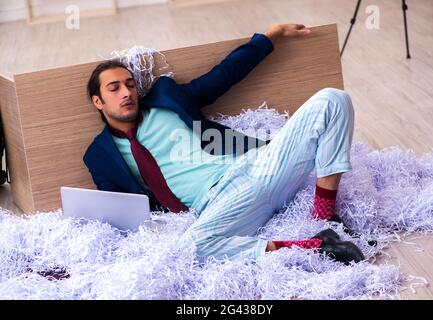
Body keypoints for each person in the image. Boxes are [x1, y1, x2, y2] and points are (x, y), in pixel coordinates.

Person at [83, 23, 365, 264]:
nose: (126, 92)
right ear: (98, 101)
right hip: (220, 205)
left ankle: (324, 219)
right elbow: (119, 209)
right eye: (114, 88)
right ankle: (317, 246)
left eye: (130, 84)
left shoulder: (165, 98)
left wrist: (269, 36)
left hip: (259, 165)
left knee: (333, 99)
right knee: (188, 249)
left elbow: (222, 76)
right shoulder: (100, 155)